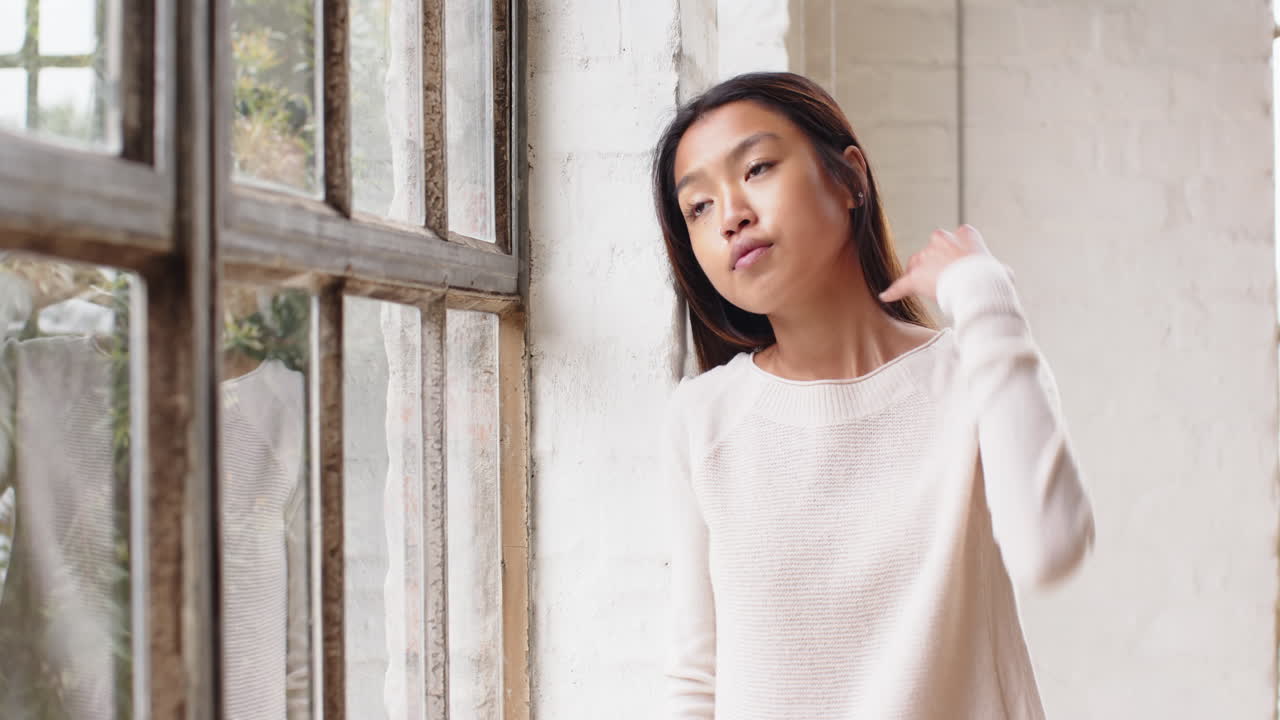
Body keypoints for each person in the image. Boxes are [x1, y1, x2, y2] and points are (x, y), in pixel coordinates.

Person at [651, 72, 1095, 719]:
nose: (731, 217)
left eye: (757, 169)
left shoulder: (976, 371)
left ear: (849, 178)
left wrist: (983, 294)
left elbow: (1050, 550)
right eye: (699, 207)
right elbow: (697, 679)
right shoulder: (703, 419)